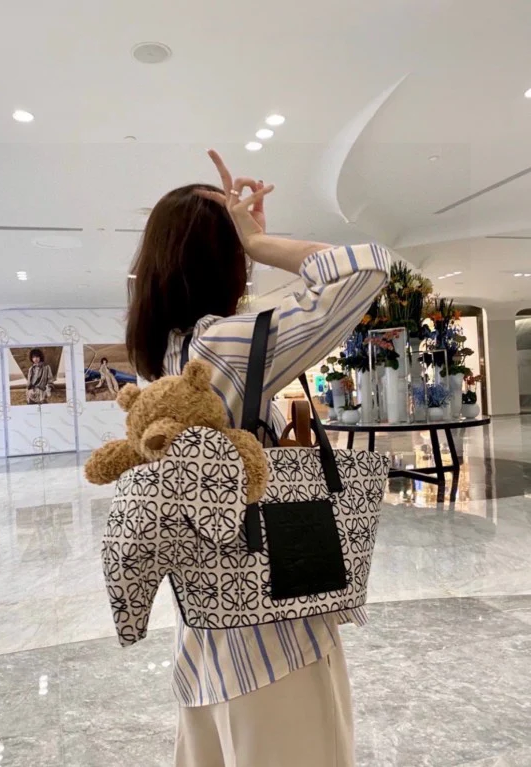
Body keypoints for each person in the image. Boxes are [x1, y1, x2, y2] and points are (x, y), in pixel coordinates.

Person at [125, 150, 391, 767]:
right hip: (275, 633)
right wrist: (262, 242)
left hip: (205, 621)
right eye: (236, 250)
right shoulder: (223, 345)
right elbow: (368, 267)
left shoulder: (164, 357)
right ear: (222, 258)